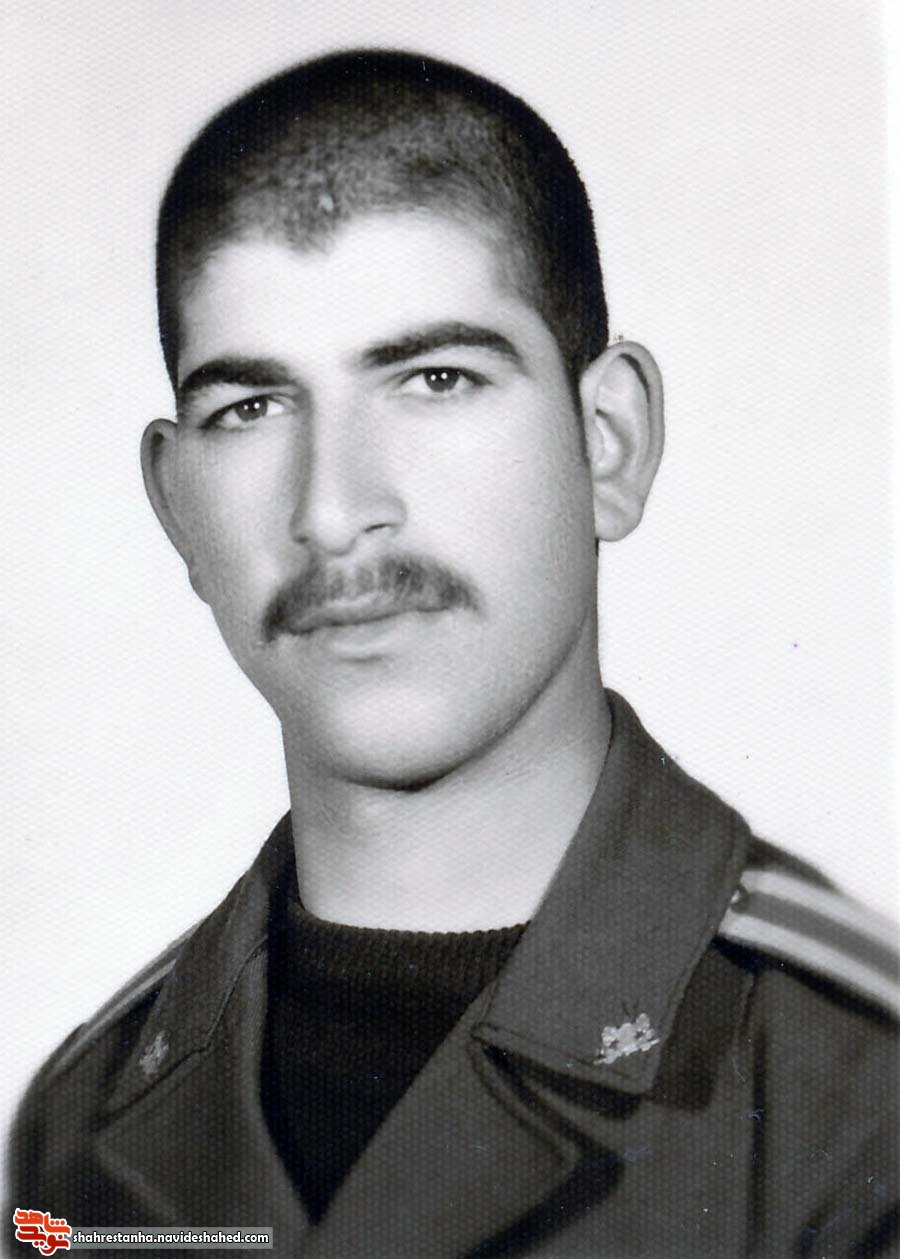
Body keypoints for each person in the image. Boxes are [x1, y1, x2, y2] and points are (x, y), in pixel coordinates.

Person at [9, 49, 897, 1258]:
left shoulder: (857, 1094)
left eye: (436, 378)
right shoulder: (79, 1123)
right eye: (251, 408)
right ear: (175, 506)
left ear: (608, 441)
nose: (334, 510)